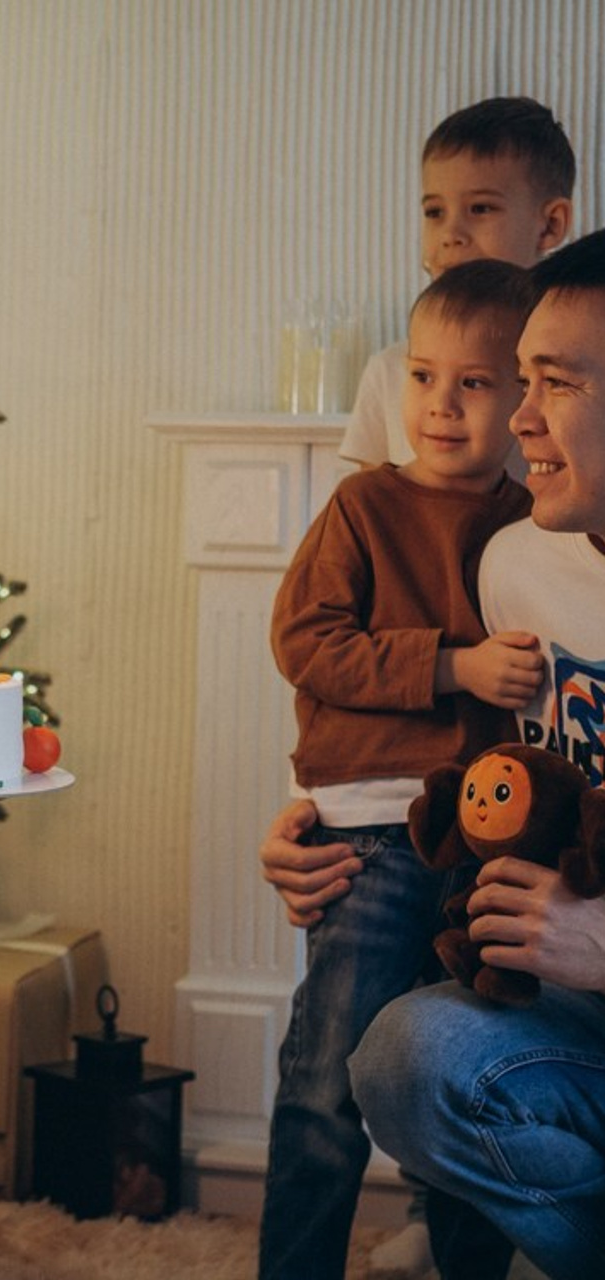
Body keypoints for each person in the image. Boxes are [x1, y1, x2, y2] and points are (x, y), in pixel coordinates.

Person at [257, 260, 543, 1280]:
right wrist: (450, 663)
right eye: (422, 376)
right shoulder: (361, 506)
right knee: (323, 1089)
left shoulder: (530, 524)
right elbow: (305, 641)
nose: (439, 403)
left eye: (473, 382)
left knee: (459, 1092)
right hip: (366, 838)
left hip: (481, 847)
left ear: (523, 398)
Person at [347, 227, 605, 1280]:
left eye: (554, 382)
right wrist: (320, 812)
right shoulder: (514, 567)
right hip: (566, 1017)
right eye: (520, 379)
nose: (519, 416)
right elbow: (490, 778)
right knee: (408, 1055)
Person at [341, 97, 574, 469]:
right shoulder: (391, 370)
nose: (450, 234)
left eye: (480, 208)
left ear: (550, 224)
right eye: (434, 212)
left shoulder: (581, 372)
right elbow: (370, 508)